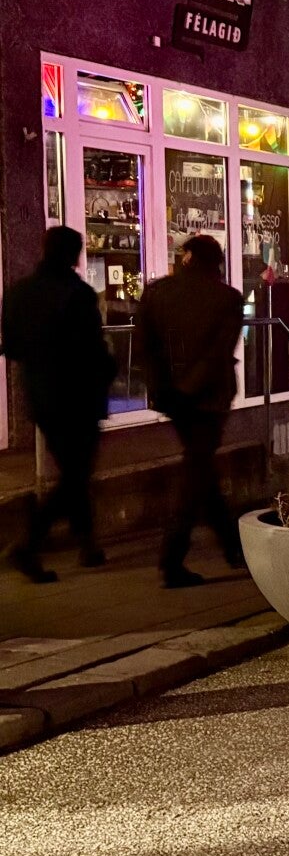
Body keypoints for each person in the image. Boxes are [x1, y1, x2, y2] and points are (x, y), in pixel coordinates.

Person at [0, 226, 117, 582]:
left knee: (75, 473)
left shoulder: (18, 293)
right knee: (75, 475)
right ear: (73, 255)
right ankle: (28, 546)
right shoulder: (78, 295)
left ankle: (88, 544)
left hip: (43, 397)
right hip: (79, 398)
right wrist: (109, 371)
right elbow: (93, 350)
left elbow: (13, 347)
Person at [136, 233, 245, 588]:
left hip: (174, 398)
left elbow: (145, 349)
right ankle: (172, 559)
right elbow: (217, 353)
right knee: (197, 471)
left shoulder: (156, 292)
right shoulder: (228, 298)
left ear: (186, 259)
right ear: (216, 262)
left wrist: (164, 389)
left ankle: (232, 547)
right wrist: (188, 389)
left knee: (200, 468)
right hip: (209, 398)